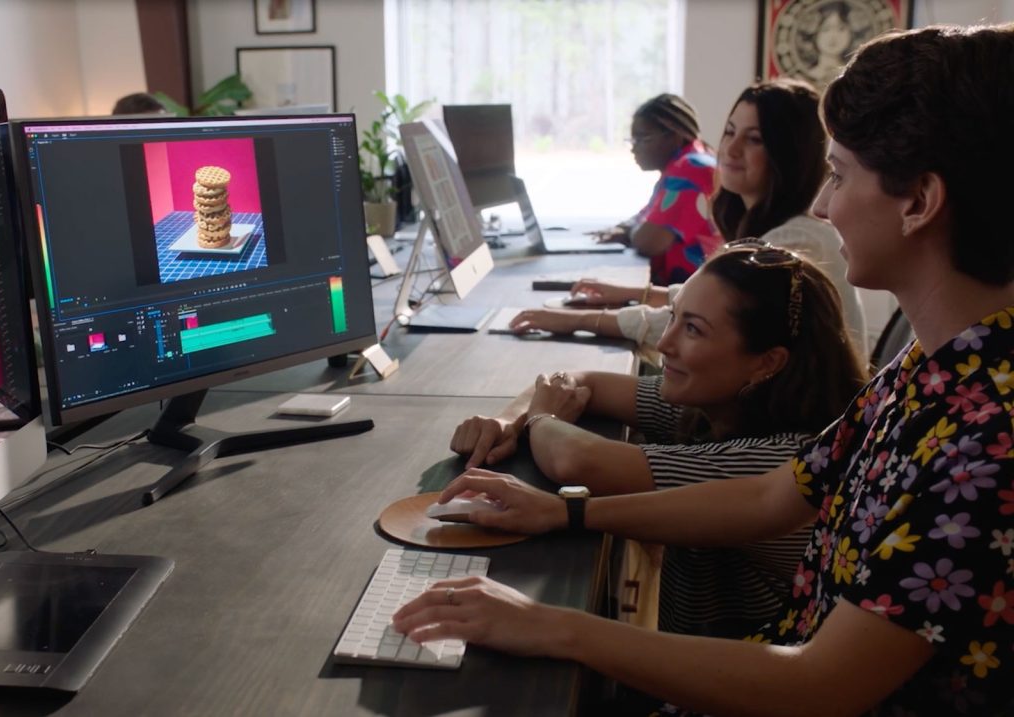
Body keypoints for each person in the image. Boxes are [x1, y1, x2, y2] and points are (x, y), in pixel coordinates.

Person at [395, 24, 1014, 715]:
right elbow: (769, 496)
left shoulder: (986, 438)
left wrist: (551, 625)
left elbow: (820, 685)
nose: (820, 203)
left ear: (920, 201)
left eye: (839, 175)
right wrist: (564, 511)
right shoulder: (930, 369)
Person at [454, 244, 866, 636]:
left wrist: (540, 417)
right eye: (673, 317)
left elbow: (578, 460)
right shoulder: (719, 399)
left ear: (766, 363)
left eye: (693, 329)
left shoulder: (785, 456)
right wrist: (507, 420)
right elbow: (578, 382)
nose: (665, 343)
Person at [517, 79, 870, 357]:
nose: (730, 150)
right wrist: (627, 292)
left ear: (789, 155)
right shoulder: (775, 230)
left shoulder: (796, 244)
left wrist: (576, 320)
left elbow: (691, 324)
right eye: (730, 132)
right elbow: (704, 301)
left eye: (755, 139)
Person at [597, 94, 720, 286]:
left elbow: (651, 241)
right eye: (632, 140)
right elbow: (645, 217)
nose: (633, 148)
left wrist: (629, 234)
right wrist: (624, 228)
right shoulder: (686, 164)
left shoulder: (692, 168)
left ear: (675, 136)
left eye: (642, 139)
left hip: (695, 298)